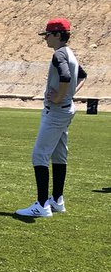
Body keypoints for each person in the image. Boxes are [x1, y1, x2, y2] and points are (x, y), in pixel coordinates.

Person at [16, 17, 86, 218]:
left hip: (55, 112)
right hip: (66, 109)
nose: (45, 38)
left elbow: (65, 77)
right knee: (59, 155)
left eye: (47, 34)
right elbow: (82, 76)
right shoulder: (70, 53)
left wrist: (58, 95)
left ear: (57, 35)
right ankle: (57, 200)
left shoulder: (59, 55)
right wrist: (69, 94)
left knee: (39, 155)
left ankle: (42, 205)